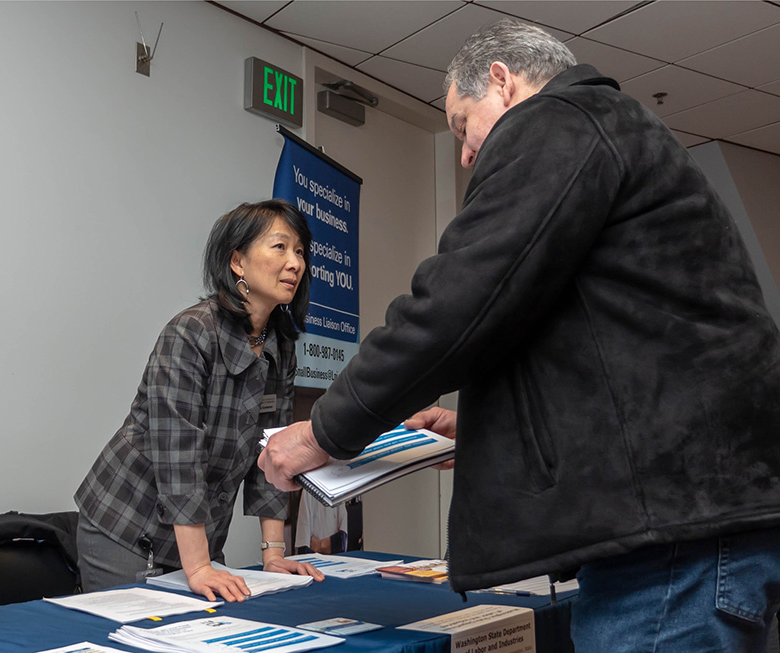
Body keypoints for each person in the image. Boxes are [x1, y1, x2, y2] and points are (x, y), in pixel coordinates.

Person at [258, 19, 780, 652]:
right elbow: (614, 367)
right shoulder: (611, 132)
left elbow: (456, 305)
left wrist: (322, 433)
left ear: (502, 83)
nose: (466, 154)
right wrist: (482, 433)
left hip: (673, 545)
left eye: (461, 125)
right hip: (688, 522)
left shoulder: (562, 119)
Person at [74, 199, 324, 601]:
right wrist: (200, 566)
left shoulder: (280, 347)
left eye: (300, 251)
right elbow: (178, 454)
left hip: (198, 544)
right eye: (280, 247)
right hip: (126, 530)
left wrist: (273, 556)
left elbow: (273, 454)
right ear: (238, 262)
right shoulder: (191, 332)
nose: (295, 263)